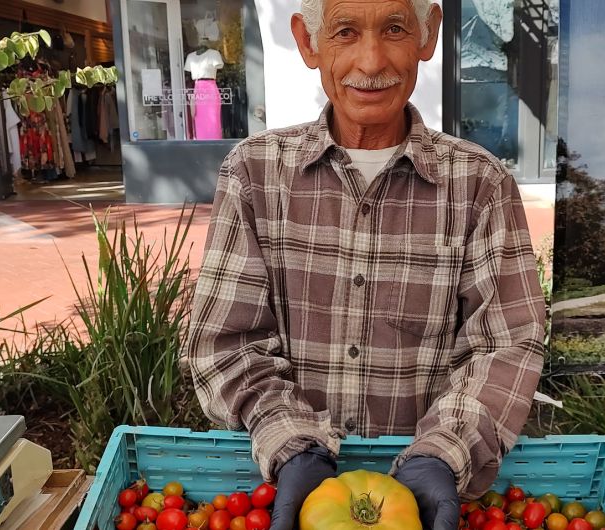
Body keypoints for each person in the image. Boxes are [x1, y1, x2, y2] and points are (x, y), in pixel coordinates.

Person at [185, 1, 546, 529]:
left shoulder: (480, 184)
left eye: (395, 29)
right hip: (292, 491)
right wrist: (291, 442)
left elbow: (507, 342)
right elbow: (225, 341)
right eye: (345, 32)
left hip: (425, 499)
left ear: (428, 36)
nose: (371, 61)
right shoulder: (254, 174)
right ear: (308, 43)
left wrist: (443, 452)